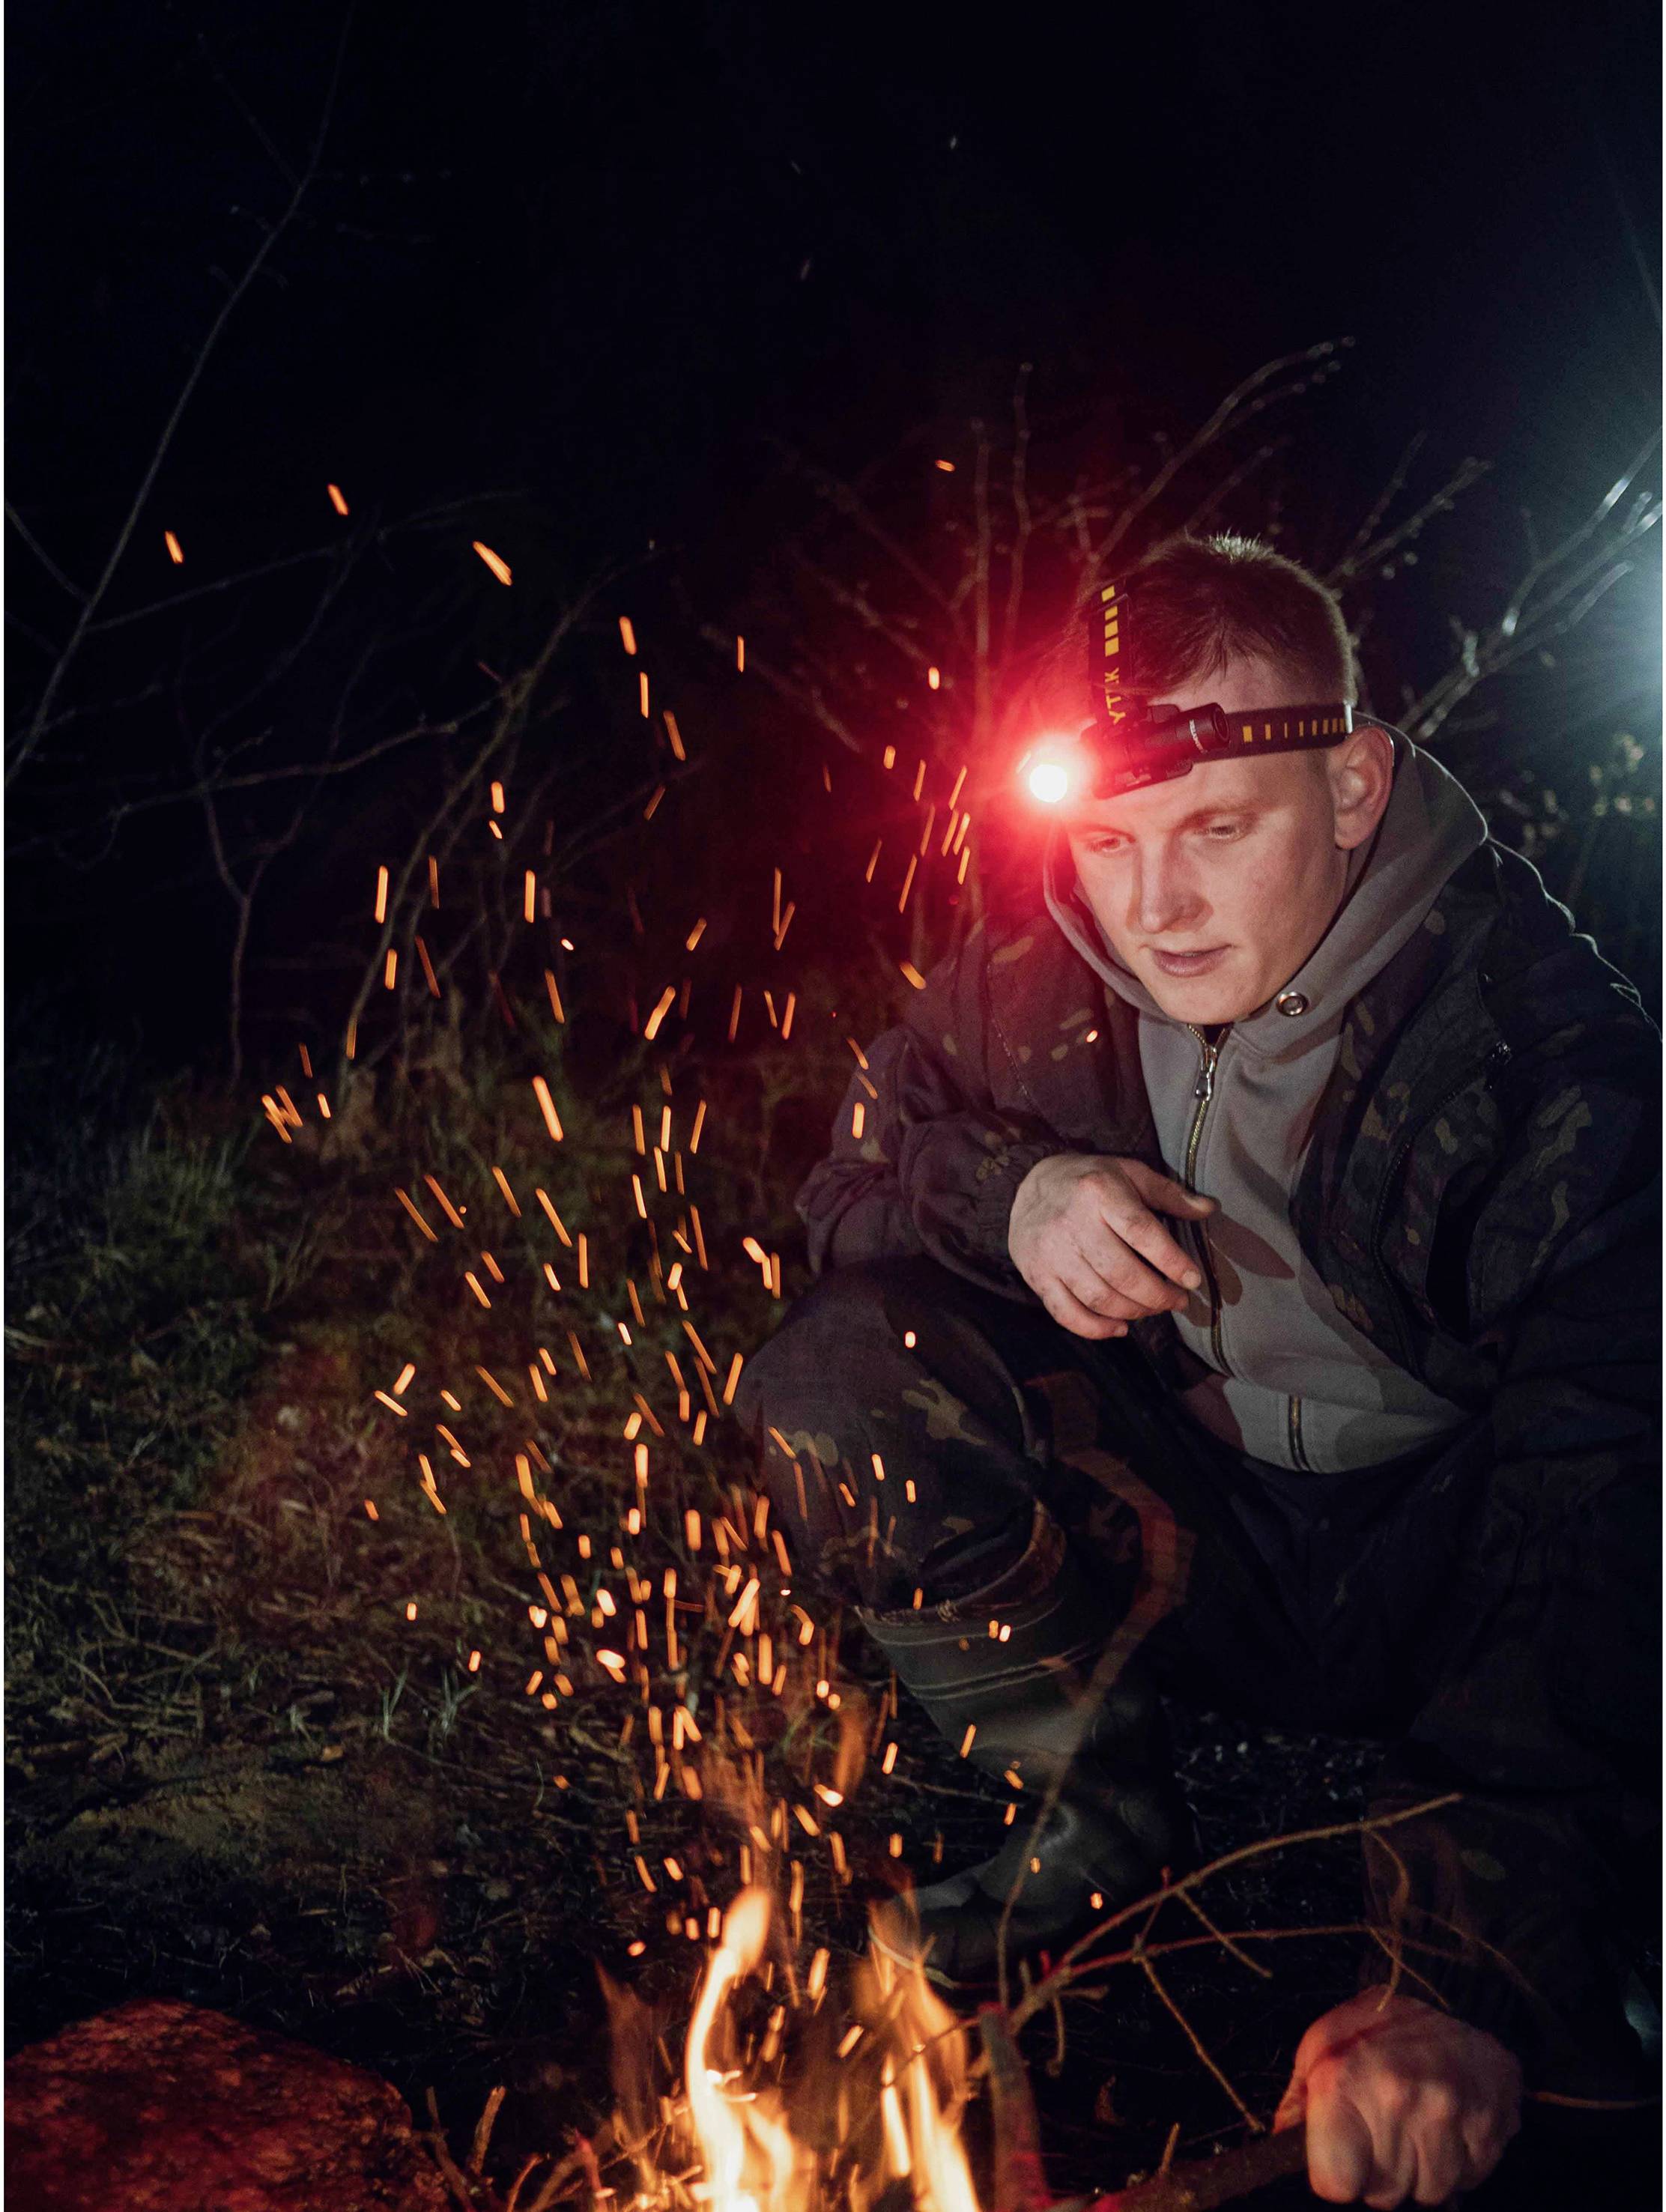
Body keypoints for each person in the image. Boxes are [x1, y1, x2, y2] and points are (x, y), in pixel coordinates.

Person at [737, 534, 1659, 2207]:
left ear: (1353, 786)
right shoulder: (1038, 984)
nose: (1151, 908)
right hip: (1198, 1545)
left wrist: (1457, 1970)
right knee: (840, 1369)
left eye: (1217, 832)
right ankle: (1083, 1824)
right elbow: (848, 1180)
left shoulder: (1536, 1054)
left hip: (1446, 1570)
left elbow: (1596, 1483)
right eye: (1106, 841)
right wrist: (1012, 1195)